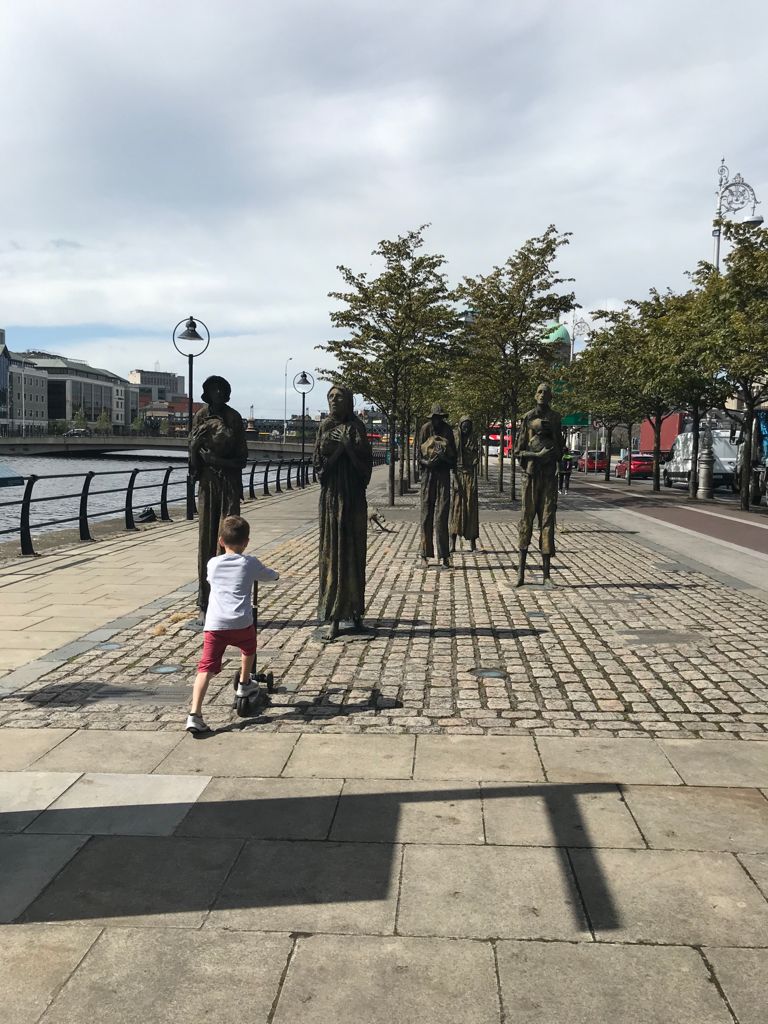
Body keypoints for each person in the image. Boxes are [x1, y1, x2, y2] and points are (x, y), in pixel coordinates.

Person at [186, 515, 279, 734]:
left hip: (215, 624)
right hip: (240, 621)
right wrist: (275, 575)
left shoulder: (213, 563)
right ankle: (245, 683)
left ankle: (194, 714)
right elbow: (269, 576)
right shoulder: (250, 562)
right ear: (246, 542)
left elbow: (212, 580)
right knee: (248, 648)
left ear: (221, 541)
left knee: (205, 668)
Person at [314, 385, 373, 641]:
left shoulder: (357, 427)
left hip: (353, 499)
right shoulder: (325, 426)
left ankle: (354, 611)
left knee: (354, 552)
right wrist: (340, 450)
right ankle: (334, 615)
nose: (333, 400)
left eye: (339, 397)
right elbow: (319, 469)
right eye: (330, 397)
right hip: (332, 498)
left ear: (349, 401)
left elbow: (365, 469)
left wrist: (348, 447)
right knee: (332, 552)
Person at [189, 376, 249, 613]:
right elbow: (194, 462)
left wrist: (218, 460)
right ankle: (205, 600)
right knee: (206, 538)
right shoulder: (200, 417)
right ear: (208, 393)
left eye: (223, 389)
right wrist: (194, 449)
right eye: (214, 389)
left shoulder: (233, 418)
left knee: (229, 537)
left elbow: (241, 460)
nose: (219, 393)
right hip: (207, 485)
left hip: (228, 485)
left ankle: (227, 599)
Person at [514, 383, 562, 586]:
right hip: (531, 477)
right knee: (526, 520)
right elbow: (517, 452)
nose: (543, 395)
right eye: (540, 392)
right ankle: (521, 573)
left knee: (547, 521)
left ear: (550, 396)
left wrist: (553, 443)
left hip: (549, 477)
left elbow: (561, 450)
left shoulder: (556, 418)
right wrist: (537, 455)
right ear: (535, 395)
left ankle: (547, 575)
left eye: (546, 392)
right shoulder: (527, 418)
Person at [419, 404, 457, 567]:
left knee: (442, 514)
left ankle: (444, 555)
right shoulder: (425, 429)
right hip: (428, 475)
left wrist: (443, 458)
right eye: (435, 418)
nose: (437, 421)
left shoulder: (448, 431)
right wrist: (428, 462)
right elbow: (417, 457)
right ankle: (424, 554)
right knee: (426, 514)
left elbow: (453, 459)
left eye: (440, 418)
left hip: (443, 476)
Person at [450, 414, 480, 552]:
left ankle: (473, 543)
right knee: (456, 509)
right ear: (460, 426)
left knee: (471, 509)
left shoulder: (473, 438)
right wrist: (455, 479)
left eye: (468, 426)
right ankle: (452, 543)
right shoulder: (456, 438)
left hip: (471, 476)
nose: (466, 428)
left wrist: (475, 458)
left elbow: (476, 455)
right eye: (464, 425)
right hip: (459, 475)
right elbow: (451, 461)